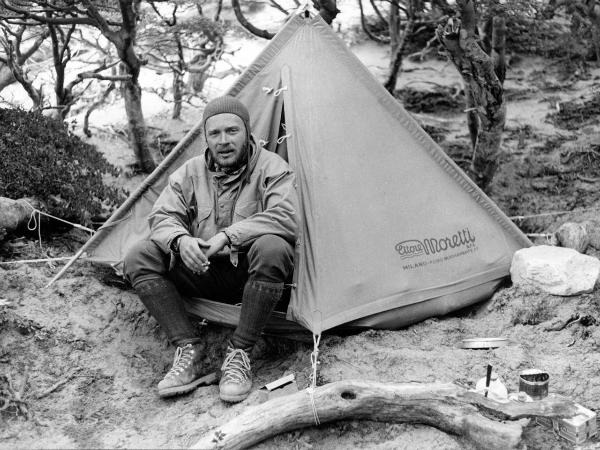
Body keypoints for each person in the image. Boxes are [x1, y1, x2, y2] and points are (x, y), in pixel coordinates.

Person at [123, 96, 298, 403]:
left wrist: (229, 236)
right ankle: (191, 349)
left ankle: (239, 353)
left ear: (247, 132)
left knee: (274, 247)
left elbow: (286, 217)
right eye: (215, 134)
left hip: (252, 277)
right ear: (206, 137)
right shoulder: (189, 173)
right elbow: (162, 217)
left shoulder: (272, 167)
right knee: (140, 255)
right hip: (201, 271)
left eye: (232, 131)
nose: (224, 141)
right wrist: (180, 240)